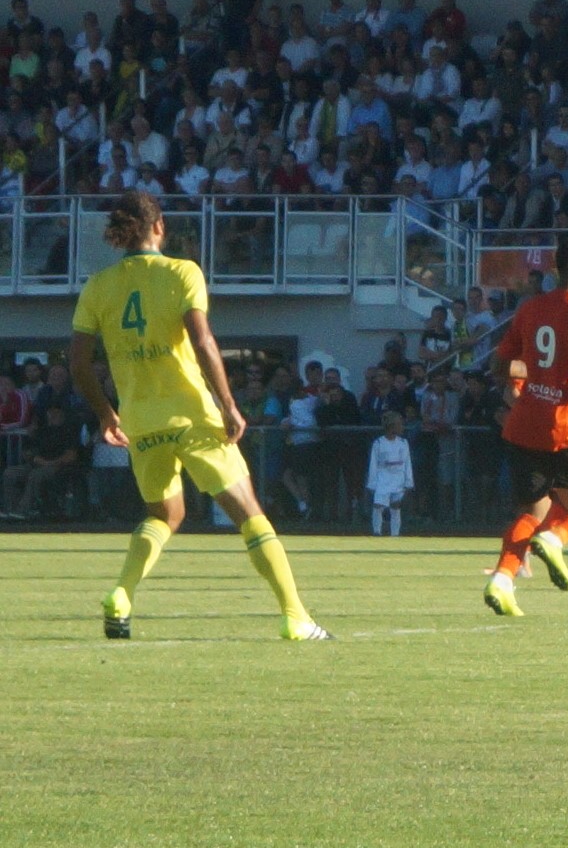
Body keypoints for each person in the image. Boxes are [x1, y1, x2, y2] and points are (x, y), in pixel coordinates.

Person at [67, 191, 329, 641]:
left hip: (141, 422)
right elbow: (204, 341)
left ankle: (122, 594)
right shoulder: (182, 271)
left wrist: (106, 413)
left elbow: (77, 361)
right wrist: (229, 403)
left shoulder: (99, 286)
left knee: (164, 514)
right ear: (159, 226)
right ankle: (296, 616)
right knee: (249, 514)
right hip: (191, 415)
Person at [483, 235, 568, 617]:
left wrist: (540, 376)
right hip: (564, 427)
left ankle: (502, 580)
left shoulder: (530, 309)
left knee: (535, 509)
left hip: (523, 425)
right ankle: (556, 540)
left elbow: (499, 366)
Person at [366, 411, 414, 537]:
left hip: (398, 478)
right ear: (392, 426)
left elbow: (407, 463)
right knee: (378, 505)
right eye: (400, 425)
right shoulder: (379, 443)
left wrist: (409, 481)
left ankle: (395, 534)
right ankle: (377, 531)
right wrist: (372, 484)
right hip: (383, 478)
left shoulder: (403, 443)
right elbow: (373, 465)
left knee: (396, 507)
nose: (402, 427)